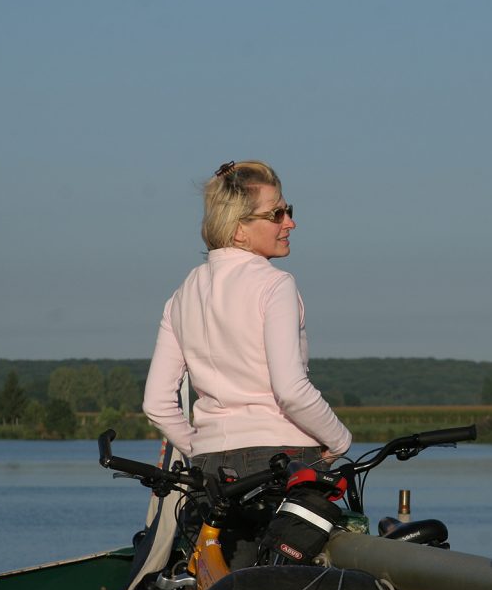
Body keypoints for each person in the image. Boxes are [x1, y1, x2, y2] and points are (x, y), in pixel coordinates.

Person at [142, 159, 352, 568]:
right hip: (282, 464)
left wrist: (200, 445)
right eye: (277, 214)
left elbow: (156, 403)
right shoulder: (275, 284)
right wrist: (341, 440)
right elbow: (290, 389)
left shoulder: (183, 293)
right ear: (239, 228)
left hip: (210, 473)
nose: (290, 222)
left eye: (290, 210)